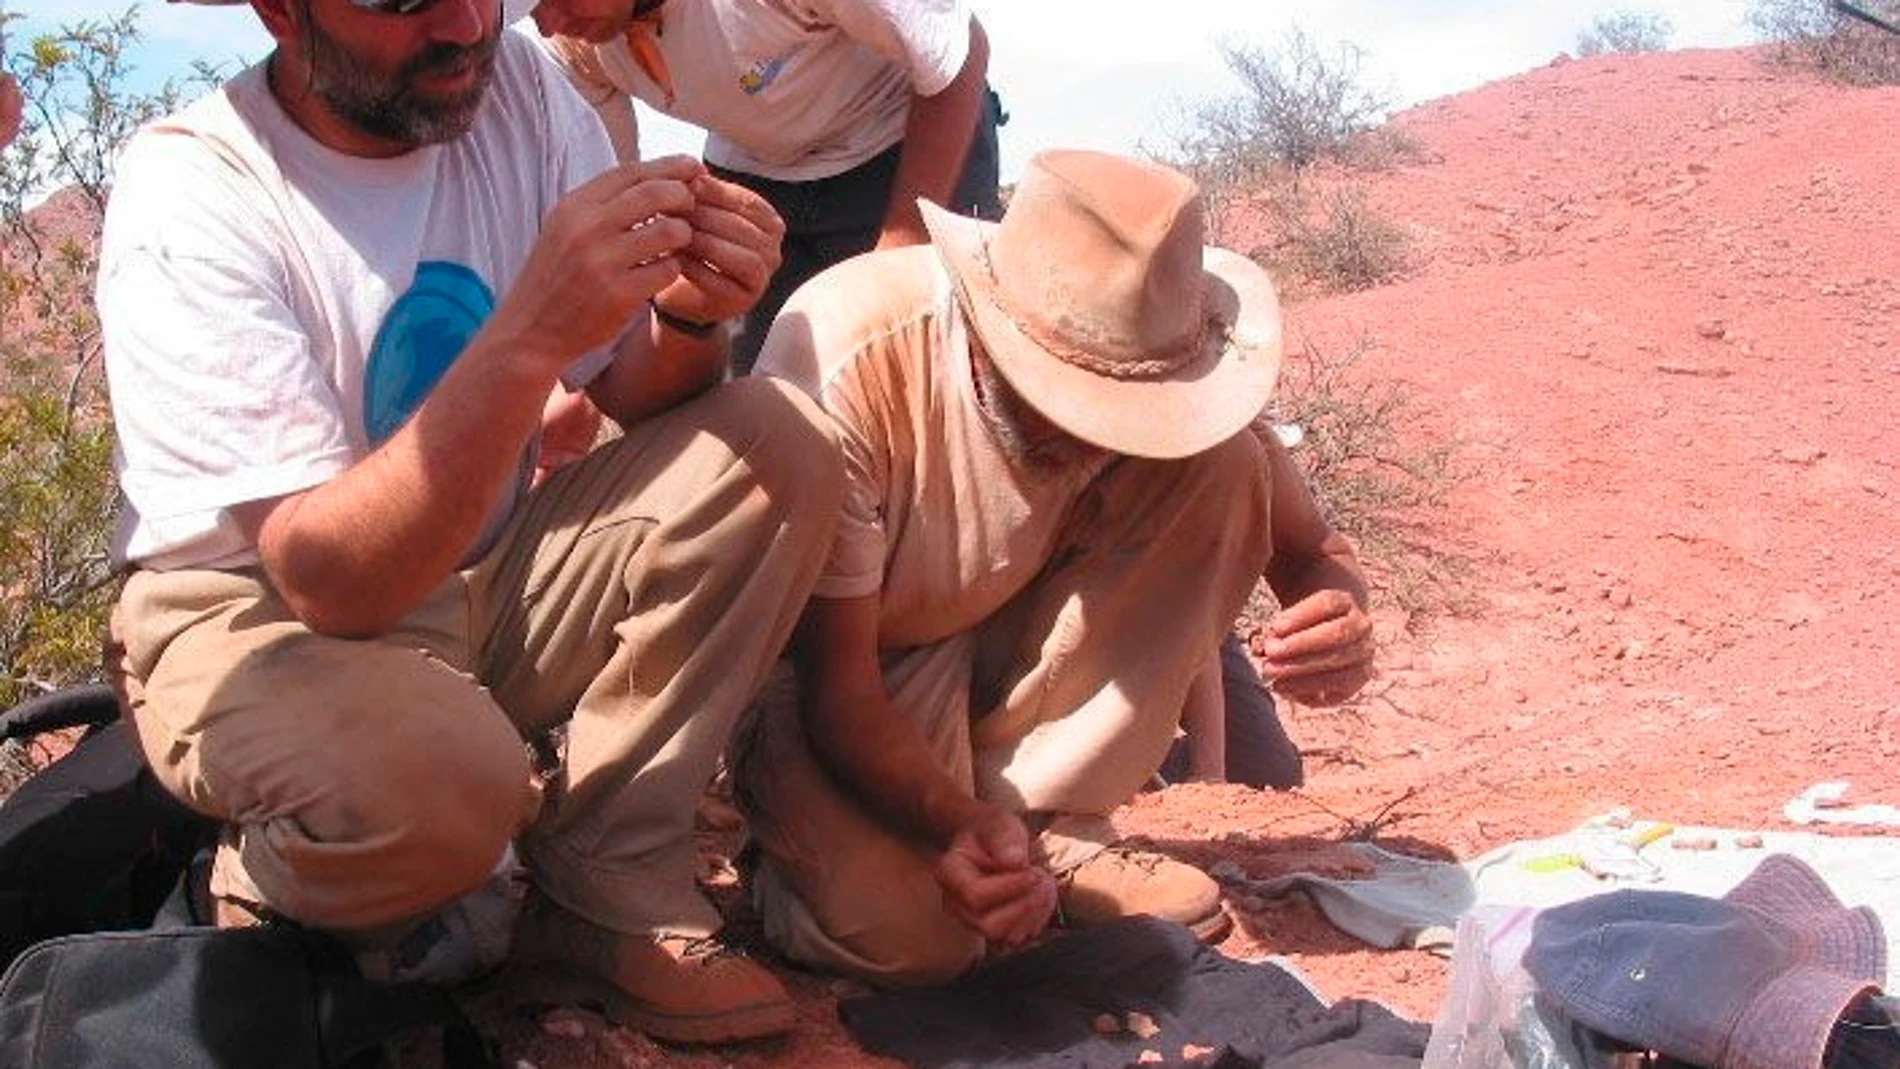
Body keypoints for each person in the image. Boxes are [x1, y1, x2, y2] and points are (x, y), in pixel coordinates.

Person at [103, 0, 842, 1045]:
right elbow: (328, 581)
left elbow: (634, 391)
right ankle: (272, 876)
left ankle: (604, 889)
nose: (461, 24)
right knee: (445, 789)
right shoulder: (196, 189)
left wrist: (688, 310)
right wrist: (527, 339)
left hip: (477, 567)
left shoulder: (521, 91)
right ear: (278, 10)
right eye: (402, 1)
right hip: (262, 616)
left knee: (774, 443)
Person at [730, 148, 1357, 987]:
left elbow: (1314, 554)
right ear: (988, 335)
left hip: (1010, 634)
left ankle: (1057, 818)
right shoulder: (855, 360)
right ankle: (787, 856)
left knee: (1226, 463)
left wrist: (1338, 615)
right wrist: (957, 821)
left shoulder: (1170, 349)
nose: (1103, 432)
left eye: (1133, 408)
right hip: (858, 670)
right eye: (1067, 396)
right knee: (919, 942)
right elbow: (837, 690)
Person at [527, 0, 1004, 372]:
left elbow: (958, 53)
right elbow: (617, 206)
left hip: (902, 144)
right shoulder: (575, 47)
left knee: (938, 369)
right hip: (756, 178)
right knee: (772, 398)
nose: (547, 23)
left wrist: (901, 249)